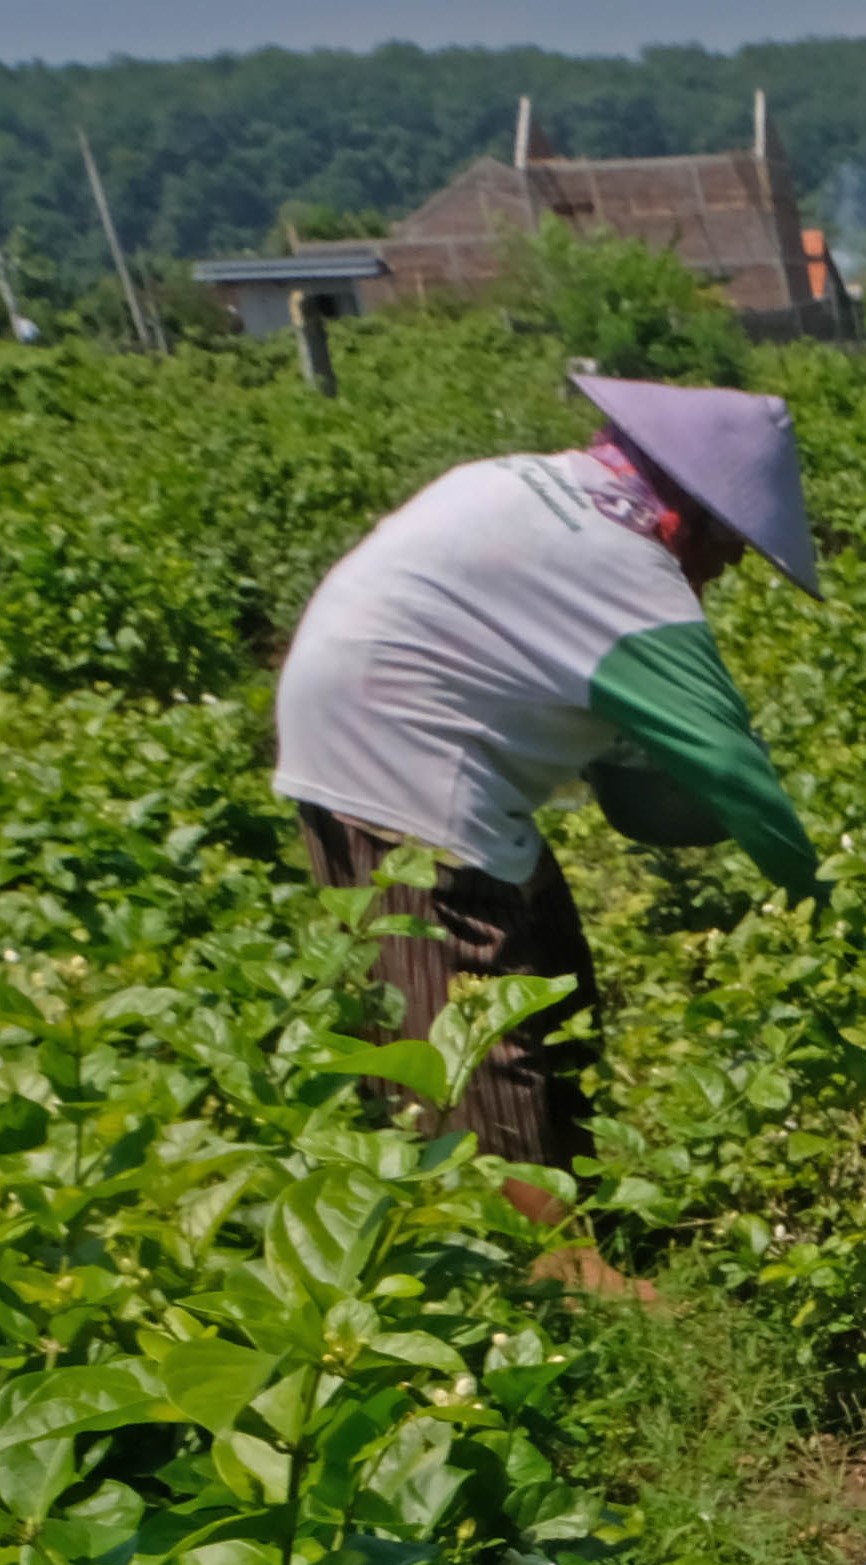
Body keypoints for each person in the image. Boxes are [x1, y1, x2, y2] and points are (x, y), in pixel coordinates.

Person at [276, 372, 827, 1225]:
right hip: (401, 770)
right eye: (735, 543)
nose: (733, 565)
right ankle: (545, 1269)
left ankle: (580, 1214)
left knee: (551, 982)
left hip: (375, 740)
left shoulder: (518, 483)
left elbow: (620, 755)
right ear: (693, 512)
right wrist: (824, 914)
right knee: (472, 1027)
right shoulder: (627, 567)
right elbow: (732, 769)